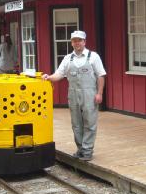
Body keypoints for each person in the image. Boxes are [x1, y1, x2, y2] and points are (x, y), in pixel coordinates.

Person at [42, 30, 106, 161]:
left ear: (84, 42)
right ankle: (80, 149)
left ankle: (87, 150)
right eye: (74, 41)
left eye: (79, 40)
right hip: (73, 93)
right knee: (76, 123)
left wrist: (99, 93)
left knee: (90, 122)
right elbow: (59, 74)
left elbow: (101, 75)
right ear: (71, 43)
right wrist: (48, 77)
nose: (77, 43)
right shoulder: (67, 58)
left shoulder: (93, 56)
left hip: (89, 92)